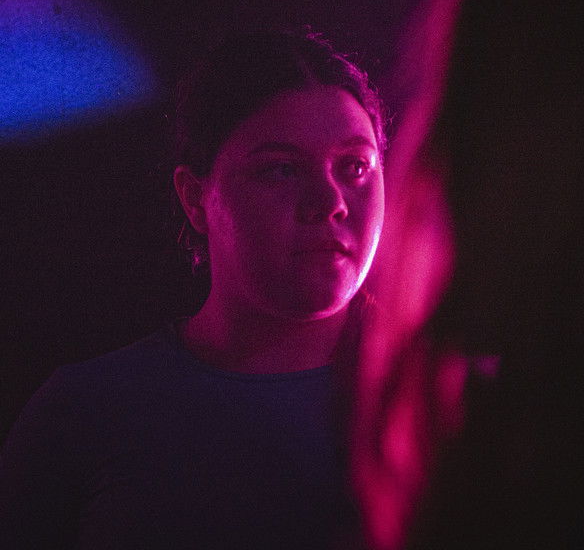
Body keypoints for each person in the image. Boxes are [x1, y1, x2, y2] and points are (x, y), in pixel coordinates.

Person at [0, 29, 387, 549]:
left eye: (355, 166)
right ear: (195, 197)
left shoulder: (450, 399)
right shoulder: (84, 415)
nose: (329, 200)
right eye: (280, 169)